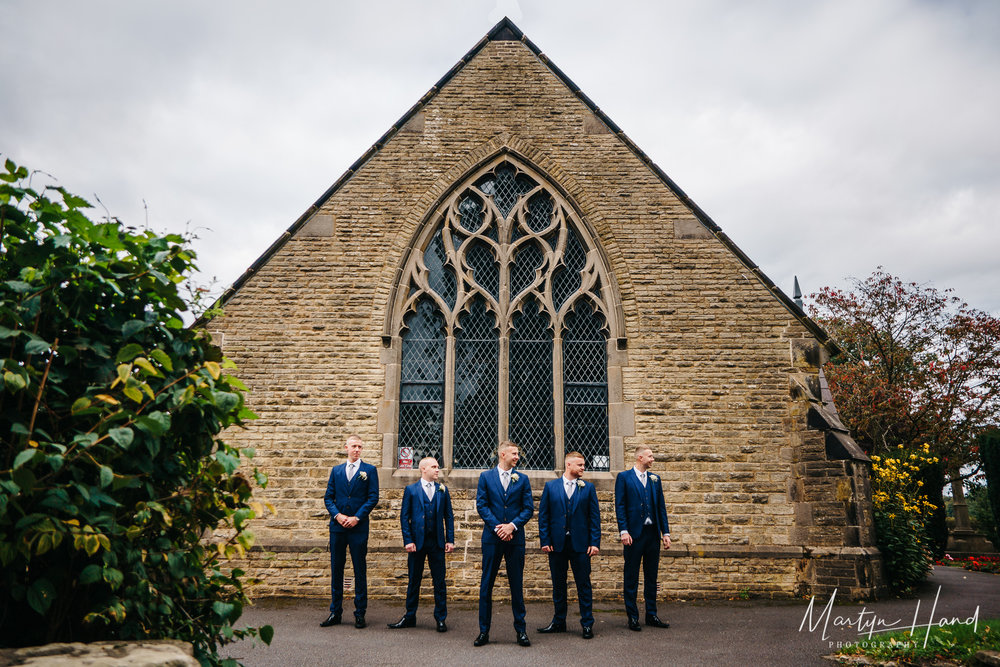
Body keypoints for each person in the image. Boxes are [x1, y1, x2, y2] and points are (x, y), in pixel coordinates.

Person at [474, 441, 534, 647]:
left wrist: (512, 526)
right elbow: (481, 505)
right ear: (502, 454)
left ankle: (521, 631)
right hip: (492, 539)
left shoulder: (523, 479)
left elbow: (528, 508)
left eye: (518, 453)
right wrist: (498, 527)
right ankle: (484, 632)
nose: (517, 457)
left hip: (515, 540)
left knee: (516, 585)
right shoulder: (485, 477)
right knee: (486, 586)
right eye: (514, 453)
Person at [537, 451, 600, 639]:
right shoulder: (551, 487)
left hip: (581, 545)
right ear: (569, 465)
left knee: (584, 585)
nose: (583, 468)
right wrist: (545, 540)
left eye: (583, 465)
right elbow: (544, 516)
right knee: (558, 585)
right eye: (580, 465)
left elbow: (594, 518)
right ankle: (559, 622)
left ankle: (587, 624)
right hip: (557, 545)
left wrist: (594, 543)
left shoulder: (588, 488)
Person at [387, 456, 455, 632]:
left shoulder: (442, 490)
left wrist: (450, 540)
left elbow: (449, 516)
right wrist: (408, 541)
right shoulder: (411, 490)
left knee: (439, 582)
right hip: (417, 543)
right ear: (423, 469)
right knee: (414, 580)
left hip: (437, 543)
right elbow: (404, 517)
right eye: (434, 467)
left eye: (438, 467)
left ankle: (441, 618)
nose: (437, 470)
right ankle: (410, 616)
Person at [321, 435, 379, 629]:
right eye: (354, 446)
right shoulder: (336, 471)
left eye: (360, 447)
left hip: (358, 528)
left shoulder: (369, 471)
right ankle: (335, 612)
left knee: (359, 569)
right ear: (346, 447)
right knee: (336, 569)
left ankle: (360, 613)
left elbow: (372, 498)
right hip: (337, 527)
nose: (357, 449)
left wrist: (356, 518)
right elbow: (328, 497)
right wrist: (338, 516)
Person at [614, 445, 671, 631]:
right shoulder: (624, 478)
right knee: (631, 576)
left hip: (652, 534)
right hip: (633, 535)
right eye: (650, 456)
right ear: (640, 457)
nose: (653, 459)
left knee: (651, 577)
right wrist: (623, 531)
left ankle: (652, 614)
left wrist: (666, 533)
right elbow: (620, 506)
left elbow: (661, 507)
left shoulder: (655, 479)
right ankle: (632, 617)